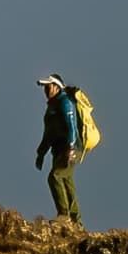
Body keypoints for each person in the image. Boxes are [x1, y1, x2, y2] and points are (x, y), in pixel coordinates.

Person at [35, 73, 83, 227]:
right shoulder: (52, 106)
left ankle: (64, 215)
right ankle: (75, 220)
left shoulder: (65, 102)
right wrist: (41, 153)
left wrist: (71, 147)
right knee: (66, 180)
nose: (46, 90)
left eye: (48, 87)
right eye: (45, 87)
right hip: (59, 149)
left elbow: (71, 127)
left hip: (70, 148)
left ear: (56, 86)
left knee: (55, 177)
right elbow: (48, 133)